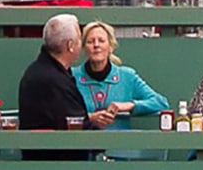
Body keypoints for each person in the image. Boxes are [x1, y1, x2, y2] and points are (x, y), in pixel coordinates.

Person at [17, 12, 91, 160]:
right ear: (70, 45)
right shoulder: (54, 81)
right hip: (57, 167)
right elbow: (74, 123)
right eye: (79, 39)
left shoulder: (37, 71)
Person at [73, 19, 169, 131]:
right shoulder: (72, 76)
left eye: (101, 40)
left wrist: (130, 105)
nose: (96, 45)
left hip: (119, 146)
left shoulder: (127, 76)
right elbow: (60, 114)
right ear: (84, 47)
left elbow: (161, 103)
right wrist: (89, 118)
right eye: (90, 41)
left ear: (111, 47)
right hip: (83, 145)